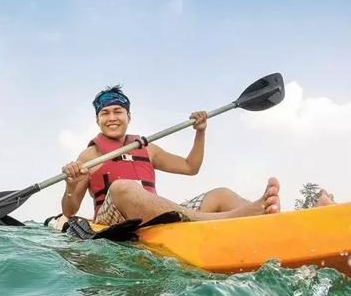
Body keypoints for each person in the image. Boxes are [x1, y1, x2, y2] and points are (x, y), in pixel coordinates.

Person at [60, 85, 281, 225]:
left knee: (221, 194)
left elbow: (190, 167)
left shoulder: (146, 148)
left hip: (161, 216)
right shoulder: (89, 156)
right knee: (122, 187)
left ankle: (266, 222)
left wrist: (200, 132)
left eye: (118, 111)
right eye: (104, 113)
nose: (112, 118)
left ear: (129, 116)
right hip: (113, 221)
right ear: (97, 120)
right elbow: (70, 211)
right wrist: (71, 186)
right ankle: (224, 219)